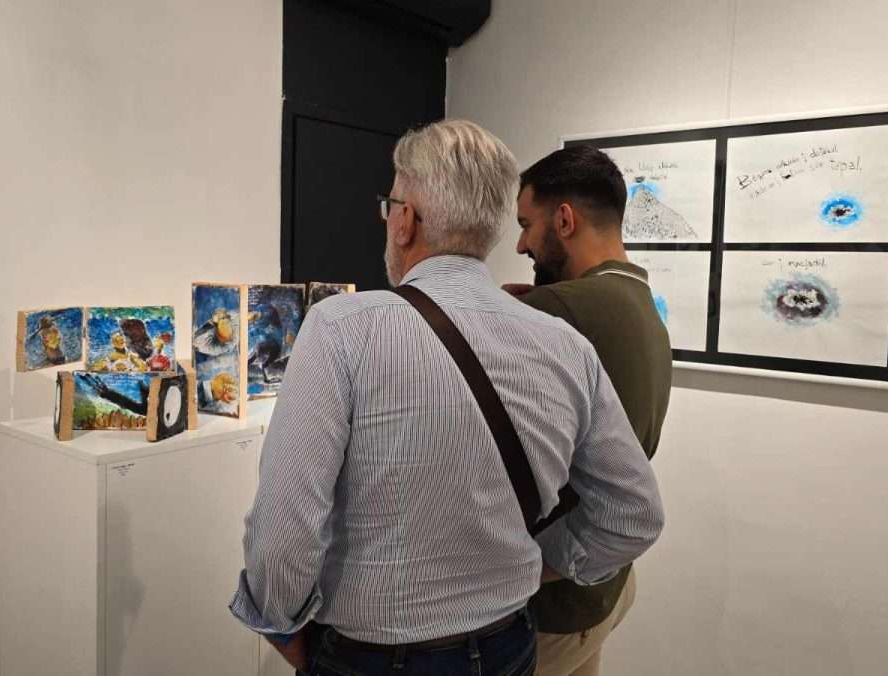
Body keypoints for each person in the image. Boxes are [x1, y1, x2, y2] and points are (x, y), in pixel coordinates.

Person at [229, 120, 664, 675]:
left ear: (405, 220)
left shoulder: (341, 328)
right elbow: (633, 515)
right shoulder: (564, 344)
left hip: (374, 654)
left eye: (391, 206)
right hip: (510, 645)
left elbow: (282, 532)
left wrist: (281, 625)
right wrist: (537, 564)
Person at [506, 145, 673, 676]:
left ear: (564, 220)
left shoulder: (559, 309)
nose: (521, 244)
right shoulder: (639, 299)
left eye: (526, 225)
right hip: (605, 588)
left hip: (551, 607)